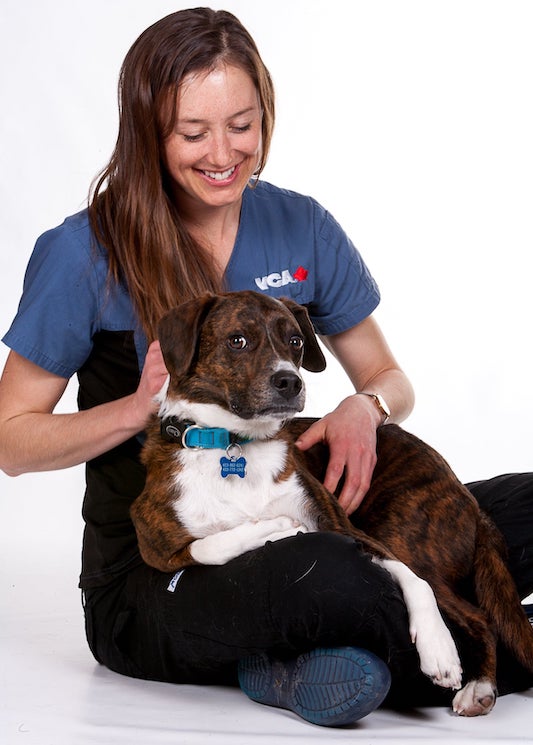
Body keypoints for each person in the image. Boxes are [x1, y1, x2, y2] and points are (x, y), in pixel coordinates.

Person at [0, 7, 531, 727]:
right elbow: (11, 440)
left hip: (297, 508)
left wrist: (364, 407)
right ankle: (447, 647)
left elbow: (388, 376)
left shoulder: (300, 223)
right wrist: (134, 408)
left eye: (241, 124)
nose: (222, 152)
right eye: (192, 133)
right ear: (147, 130)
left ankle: (357, 654)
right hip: (168, 568)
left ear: (265, 116)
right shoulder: (82, 251)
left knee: (513, 510)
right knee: (340, 577)